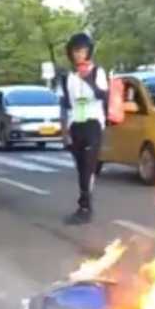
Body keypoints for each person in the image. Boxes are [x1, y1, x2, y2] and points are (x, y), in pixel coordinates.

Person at [59, 33, 109, 225]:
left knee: (88, 166)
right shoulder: (67, 78)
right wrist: (64, 133)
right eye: (75, 51)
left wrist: (88, 80)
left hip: (93, 123)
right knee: (81, 167)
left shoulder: (97, 72)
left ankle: (85, 206)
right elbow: (64, 105)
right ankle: (84, 203)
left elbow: (104, 95)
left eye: (82, 51)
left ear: (89, 52)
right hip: (75, 125)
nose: (79, 55)